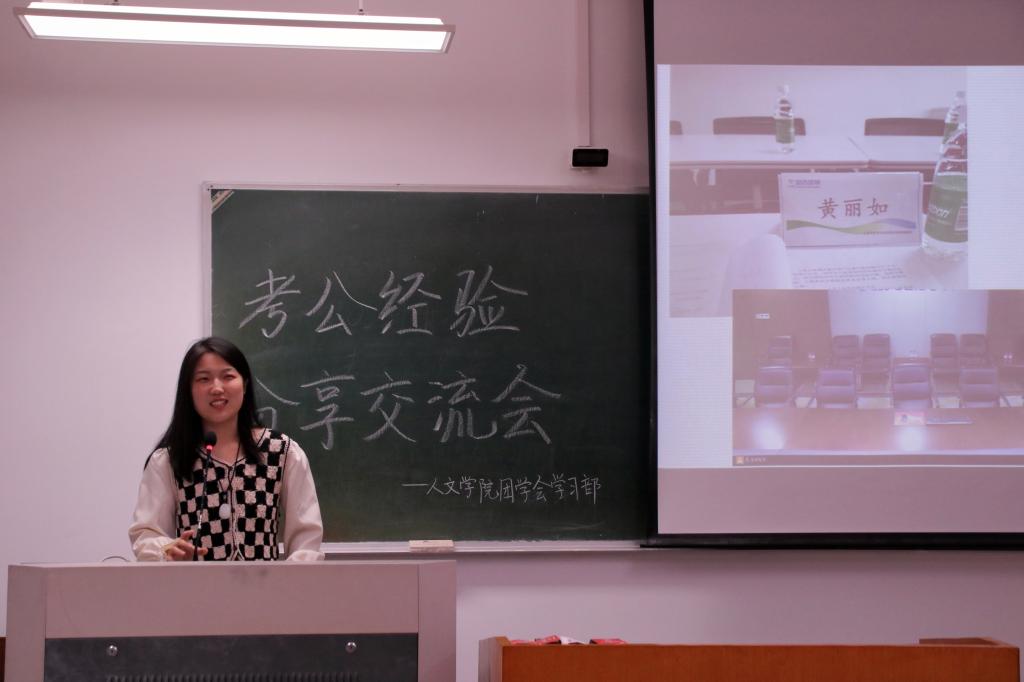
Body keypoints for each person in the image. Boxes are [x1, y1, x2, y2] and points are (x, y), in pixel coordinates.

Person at [130, 336, 324, 561]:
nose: (217, 388)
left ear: (245, 384)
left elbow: (306, 538)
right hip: (195, 584)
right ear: (188, 390)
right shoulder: (168, 460)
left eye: (228, 376)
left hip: (267, 583)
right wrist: (168, 550)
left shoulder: (282, 452)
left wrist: (289, 579)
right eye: (203, 379)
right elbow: (146, 534)